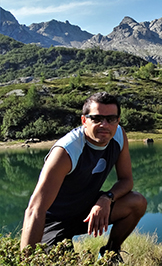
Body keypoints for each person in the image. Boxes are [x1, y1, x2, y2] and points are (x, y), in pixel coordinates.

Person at [20, 92, 147, 262]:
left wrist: (106, 198)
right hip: (54, 220)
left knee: (137, 202)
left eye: (111, 119)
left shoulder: (118, 135)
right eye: (96, 118)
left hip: (86, 209)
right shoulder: (66, 151)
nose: (105, 125)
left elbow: (126, 181)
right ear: (84, 120)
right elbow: (35, 209)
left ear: (118, 120)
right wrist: (25, 261)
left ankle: (111, 254)